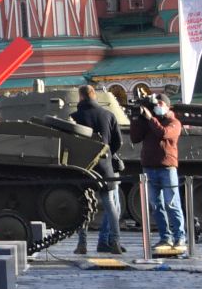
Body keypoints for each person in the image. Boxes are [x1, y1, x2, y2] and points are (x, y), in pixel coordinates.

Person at [127, 93, 184, 254]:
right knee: (156, 206)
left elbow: (163, 134)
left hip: (167, 167)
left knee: (171, 203)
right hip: (149, 167)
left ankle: (180, 237)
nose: (158, 106)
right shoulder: (149, 122)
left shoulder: (174, 122)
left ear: (167, 106)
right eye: (156, 104)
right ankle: (165, 237)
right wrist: (137, 119)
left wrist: (151, 118)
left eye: (160, 104)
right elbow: (135, 138)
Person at [71, 85, 124, 252]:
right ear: (94, 96)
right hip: (104, 165)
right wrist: (107, 154)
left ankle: (82, 244)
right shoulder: (108, 115)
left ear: (80, 97)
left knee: (82, 205)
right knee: (110, 204)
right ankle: (114, 241)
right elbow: (118, 141)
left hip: (82, 166)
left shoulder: (74, 116)